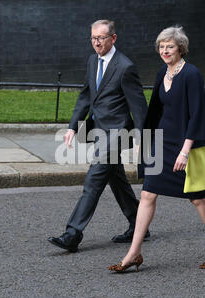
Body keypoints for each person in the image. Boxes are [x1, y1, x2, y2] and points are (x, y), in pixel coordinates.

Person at [108, 26, 205, 272]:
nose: (164, 51)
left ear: (180, 48)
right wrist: (143, 138)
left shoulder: (192, 74)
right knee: (147, 194)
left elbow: (197, 116)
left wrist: (185, 151)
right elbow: (155, 110)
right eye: (161, 47)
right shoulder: (163, 71)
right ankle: (134, 252)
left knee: (197, 198)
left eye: (169, 46)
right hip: (161, 142)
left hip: (186, 145)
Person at [48, 20, 149, 252]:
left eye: (101, 38)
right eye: (93, 38)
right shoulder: (93, 61)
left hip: (117, 134)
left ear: (113, 38)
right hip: (98, 131)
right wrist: (73, 126)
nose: (96, 43)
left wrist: (141, 138)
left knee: (93, 181)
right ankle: (138, 223)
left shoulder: (125, 67)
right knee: (117, 180)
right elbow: (86, 95)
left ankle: (72, 234)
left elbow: (139, 107)